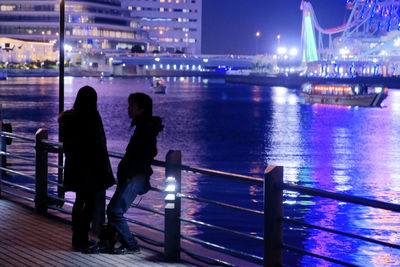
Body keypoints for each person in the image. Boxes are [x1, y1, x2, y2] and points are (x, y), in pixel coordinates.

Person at [86, 92, 163, 255]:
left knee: (115, 210)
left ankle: (131, 245)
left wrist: (131, 172)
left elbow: (148, 152)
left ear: (141, 109)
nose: (129, 109)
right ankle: (107, 242)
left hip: (134, 176)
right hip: (131, 174)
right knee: (114, 209)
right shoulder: (143, 126)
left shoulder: (146, 128)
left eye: (132, 105)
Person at [58, 85, 115, 251]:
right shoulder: (91, 117)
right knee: (88, 205)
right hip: (90, 170)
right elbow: (98, 145)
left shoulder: (69, 119)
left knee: (79, 203)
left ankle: (78, 237)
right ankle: (82, 239)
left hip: (75, 168)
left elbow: (68, 146)